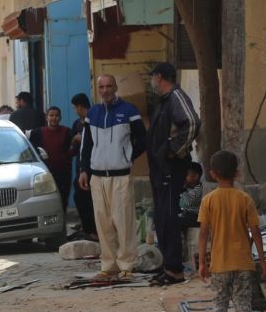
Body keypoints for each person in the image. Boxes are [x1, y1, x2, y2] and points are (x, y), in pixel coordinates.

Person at [197, 150, 266, 312]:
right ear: (237, 173)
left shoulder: (208, 201)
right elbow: (255, 231)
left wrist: (202, 263)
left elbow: (203, 234)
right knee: (243, 306)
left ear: (213, 174)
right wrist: (262, 260)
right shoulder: (245, 199)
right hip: (243, 264)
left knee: (220, 305)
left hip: (219, 264)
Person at [79, 75, 147, 280]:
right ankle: (109, 265)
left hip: (120, 177)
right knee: (102, 222)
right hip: (97, 178)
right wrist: (84, 170)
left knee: (123, 221)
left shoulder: (129, 112)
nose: (106, 90)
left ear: (116, 87)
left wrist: (127, 157)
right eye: (102, 87)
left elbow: (142, 140)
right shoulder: (93, 113)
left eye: (109, 86)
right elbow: (86, 145)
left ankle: (127, 264)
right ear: (98, 89)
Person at [147, 62, 202, 286]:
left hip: (171, 168)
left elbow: (191, 122)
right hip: (160, 169)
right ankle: (167, 266)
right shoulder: (164, 102)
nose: (151, 82)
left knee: (170, 217)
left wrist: (173, 150)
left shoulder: (176, 97)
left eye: (153, 77)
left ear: (159, 77)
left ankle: (175, 271)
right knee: (161, 217)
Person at [28, 107, 74, 210]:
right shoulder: (38, 133)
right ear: (46, 117)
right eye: (51, 115)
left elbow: (73, 150)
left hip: (64, 173)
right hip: (46, 174)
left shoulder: (67, 132)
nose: (54, 118)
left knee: (63, 201)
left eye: (56, 115)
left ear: (60, 117)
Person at [69, 93, 96, 239]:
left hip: (93, 166)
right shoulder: (76, 124)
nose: (75, 110)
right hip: (81, 167)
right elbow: (73, 148)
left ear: (80, 106)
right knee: (80, 198)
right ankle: (88, 228)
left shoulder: (93, 120)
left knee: (89, 200)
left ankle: (93, 230)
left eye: (75, 107)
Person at [178, 161, 205, 230]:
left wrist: (182, 191)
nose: (184, 177)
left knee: (178, 221)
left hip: (196, 217)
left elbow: (185, 203)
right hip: (188, 214)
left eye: (187, 174)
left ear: (195, 176)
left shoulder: (198, 189)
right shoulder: (189, 187)